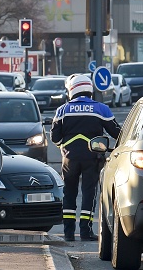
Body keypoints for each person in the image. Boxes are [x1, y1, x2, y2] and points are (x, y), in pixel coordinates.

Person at [50, 74, 121, 242]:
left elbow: (54, 138)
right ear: (89, 90)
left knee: (69, 193)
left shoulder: (62, 110)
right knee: (89, 193)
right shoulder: (101, 109)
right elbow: (118, 133)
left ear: (71, 91)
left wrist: (66, 146)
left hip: (70, 158)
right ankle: (85, 231)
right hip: (93, 157)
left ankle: (68, 233)